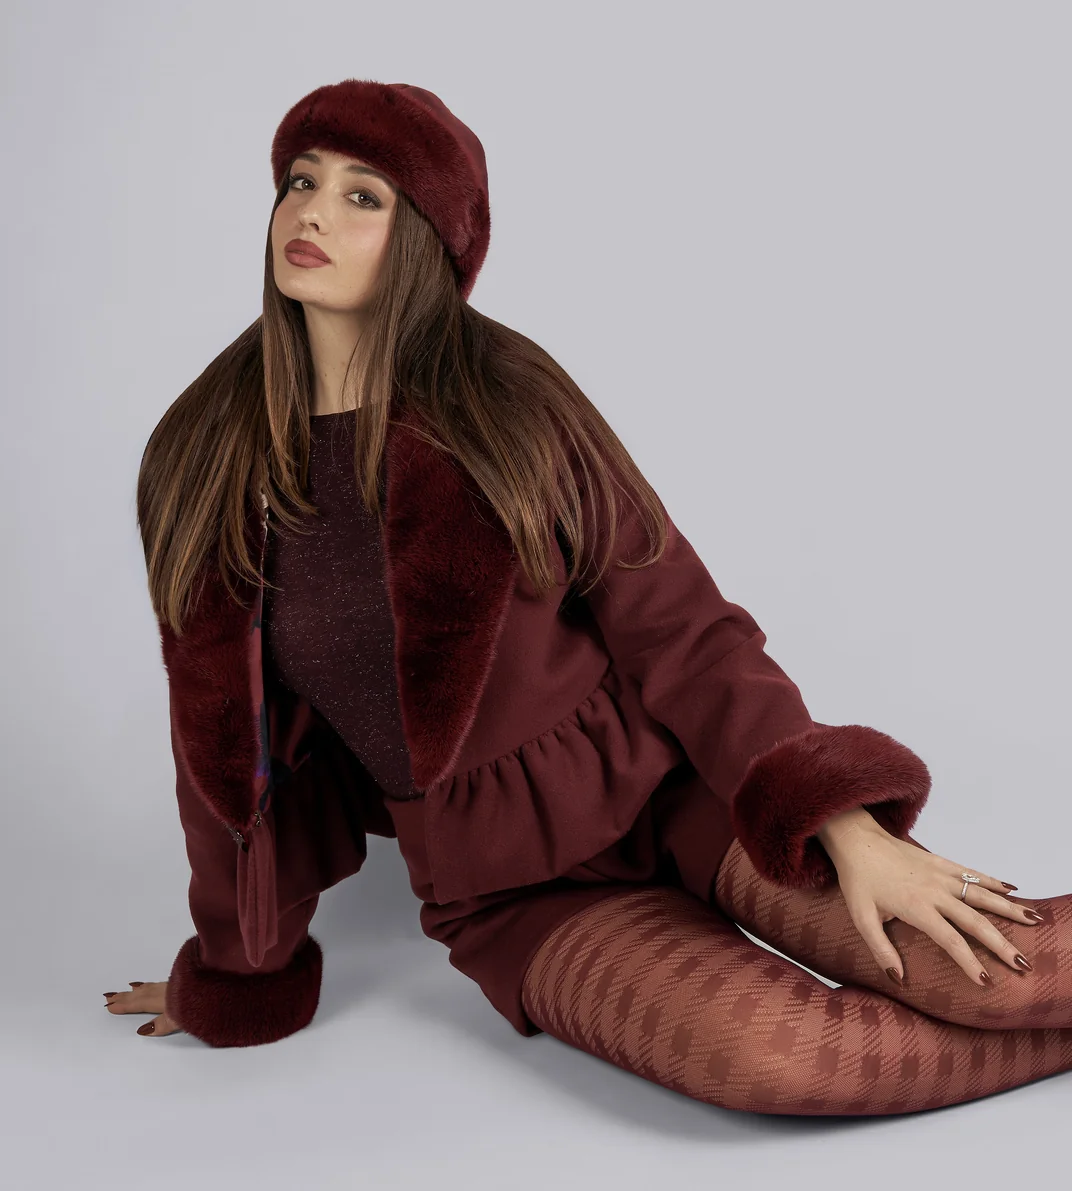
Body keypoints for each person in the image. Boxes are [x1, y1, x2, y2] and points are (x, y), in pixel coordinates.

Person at [107, 78, 1072, 1115]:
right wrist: (237, 972)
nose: (312, 215)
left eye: (362, 196)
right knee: (785, 1060)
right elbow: (226, 756)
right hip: (510, 893)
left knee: (968, 976)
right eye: (301, 183)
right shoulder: (207, 457)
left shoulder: (506, 400)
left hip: (682, 792)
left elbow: (685, 630)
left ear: (427, 239)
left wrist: (846, 828)